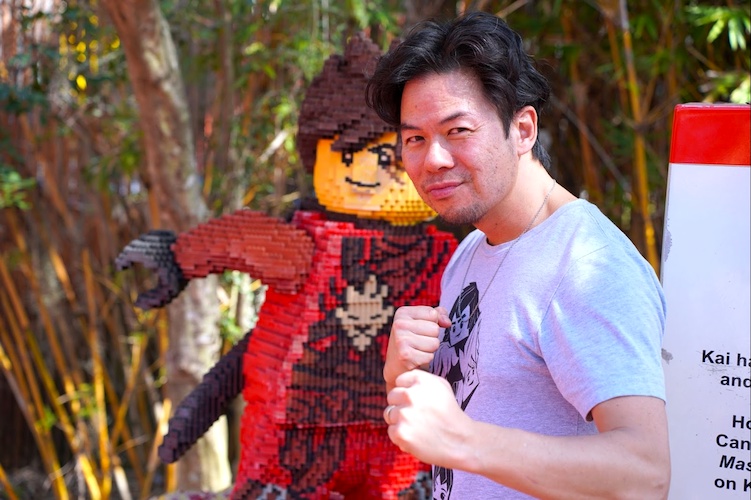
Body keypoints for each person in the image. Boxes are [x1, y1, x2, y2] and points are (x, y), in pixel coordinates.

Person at [366, 11, 670, 499]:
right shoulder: (472, 250)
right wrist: (400, 375)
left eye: (458, 130)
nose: (433, 159)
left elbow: (645, 474)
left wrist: (465, 441)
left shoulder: (588, 265)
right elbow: (459, 437)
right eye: (415, 139)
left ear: (523, 129)